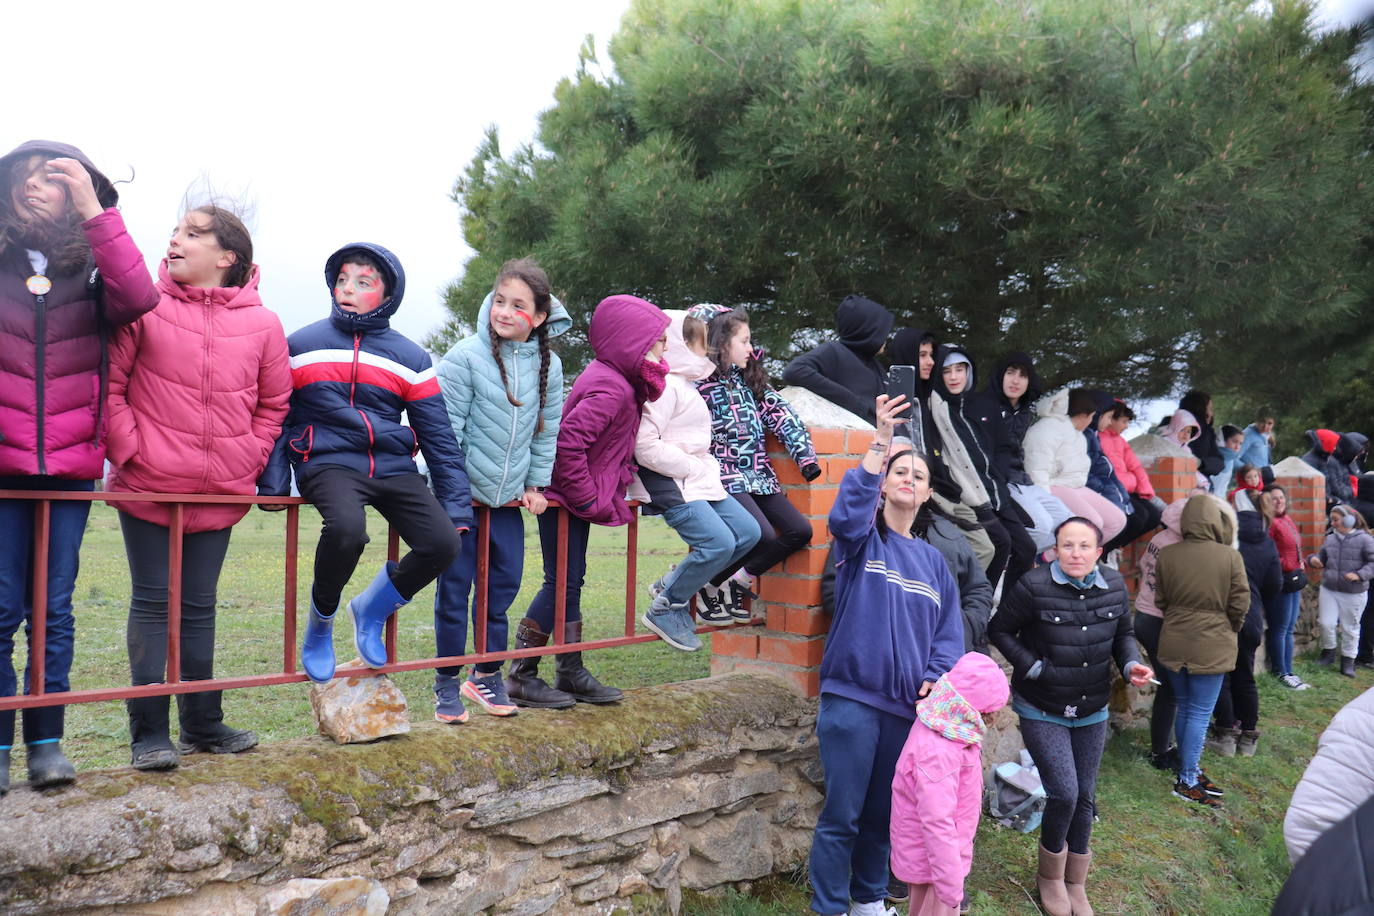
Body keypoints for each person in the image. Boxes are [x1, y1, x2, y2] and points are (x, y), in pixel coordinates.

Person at [105, 204, 290, 769]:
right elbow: (109, 389)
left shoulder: (264, 324)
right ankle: (148, 734)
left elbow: (273, 403)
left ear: (227, 255)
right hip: (149, 485)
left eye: (192, 233)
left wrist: (249, 456)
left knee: (199, 607)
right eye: (176, 231)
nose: (175, 240)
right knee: (153, 604)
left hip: (219, 491)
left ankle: (203, 725)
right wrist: (134, 450)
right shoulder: (146, 309)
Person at [0, 141, 158, 790]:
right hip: (3, 470)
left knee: (54, 610)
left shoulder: (93, 273)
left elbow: (140, 295)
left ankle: (45, 744)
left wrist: (95, 206)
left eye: (53, 179)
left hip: (67, 469)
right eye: (25, 178)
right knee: (1, 609)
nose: (35, 187)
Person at [263, 244, 471, 684]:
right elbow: (279, 416)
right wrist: (275, 484)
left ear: (387, 294)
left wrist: (456, 508)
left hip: (393, 466)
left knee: (444, 544)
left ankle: (372, 608)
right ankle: (321, 623)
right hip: (327, 461)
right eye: (341, 280)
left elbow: (437, 436)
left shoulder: (412, 358)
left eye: (363, 282)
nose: (348, 289)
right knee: (347, 531)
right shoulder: (301, 345)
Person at [809, 394, 963, 916]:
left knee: (883, 816)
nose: (909, 479)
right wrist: (880, 442)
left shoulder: (934, 563)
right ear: (884, 483)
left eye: (919, 476)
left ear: (926, 494)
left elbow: (948, 633)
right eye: (901, 471)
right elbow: (844, 515)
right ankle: (830, 907)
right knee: (842, 816)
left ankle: (869, 901)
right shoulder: (861, 542)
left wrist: (937, 674)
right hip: (851, 702)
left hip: (904, 711)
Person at [509, 295, 669, 707]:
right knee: (560, 580)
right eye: (658, 341)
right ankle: (521, 674)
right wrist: (588, 497)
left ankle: (569, 670)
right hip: (564, 499)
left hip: (570, 498)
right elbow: (568, 446)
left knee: (569, 580)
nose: (663, 349)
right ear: (633, 342)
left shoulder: (619, 382)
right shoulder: (611, 387)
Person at [987, 517, 1152, 916]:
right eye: (1067, 545)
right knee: (1065, 792)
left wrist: (1131, 666)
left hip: (1092, 709)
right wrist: (1034, 667)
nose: (1075, 553)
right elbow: (1000, 629)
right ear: (1055, 550)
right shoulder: (1034, 585)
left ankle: (1075, 882)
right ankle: (1049, 877)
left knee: (1085, 796)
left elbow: (1123, 635)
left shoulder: (1113, 584)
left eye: (1084, 546)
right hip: (1042, 707)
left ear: (1098, 552)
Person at [431, 259, 569, 721]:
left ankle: (485, 677)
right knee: (455, 590)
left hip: (509, 504)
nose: (505, 311)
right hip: (461, 502)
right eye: (500, 301)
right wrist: (451, 495)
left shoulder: (549, 364)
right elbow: (445, 431)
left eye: (519, 305)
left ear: (540, 316)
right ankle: (446, 680)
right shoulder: (465, 356)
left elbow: (545, 434)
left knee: (501, 590)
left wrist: (535, 485)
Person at [629, 310, 760, 633]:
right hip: (675, 482)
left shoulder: (687, 384)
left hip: (700, 478)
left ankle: (670, 582)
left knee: (748, 533)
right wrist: (688, 466)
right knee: (718, 543)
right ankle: (667, 606)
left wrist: (697, 468)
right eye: (698, 342)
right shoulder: (666, 386)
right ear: (678, 343)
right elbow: (643, 445)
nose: (707, 349)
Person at [695, 307, 821, 612]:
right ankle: (699, 585)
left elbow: (782, 415)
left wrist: (806, 459)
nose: (751, 348)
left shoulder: (749, 380)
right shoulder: (697, 384)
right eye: (744, 341)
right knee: (761, 535)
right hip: (723, 473)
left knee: (800, 531)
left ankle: (734, 581)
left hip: (758, 473)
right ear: (722, 342)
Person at [889, 652, 1009, 916]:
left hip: (939, 861)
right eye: (992, 712)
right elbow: (936, 821)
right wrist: (951, 886)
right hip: (934, 866)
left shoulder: (948, 724)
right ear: (974, 709)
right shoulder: (939, 751)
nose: (994, 718)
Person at [1154, 494, 1249, 807]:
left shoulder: (1167, 554)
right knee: (1198, 712)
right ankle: (1187, 779)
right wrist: (1231, 626)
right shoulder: (1229, 556)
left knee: (1183, 705)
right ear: (1215, 520)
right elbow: (1240, 603)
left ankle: (1188, 770)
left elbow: (1161, 600)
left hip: (1174, 637)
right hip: (1213, 641)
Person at [928, 344, 1036, 591]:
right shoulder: (939, 406)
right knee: (1000, 544)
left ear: (969, 372)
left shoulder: (981, 404)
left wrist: (999, 475)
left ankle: (1004, 613)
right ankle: (980, 605)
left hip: (995, 490)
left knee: (1026, 549)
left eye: (960, 369)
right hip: (967, 494)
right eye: (947, 371)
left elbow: (1002, 446)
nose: (954, 377)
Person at [1207, 508, 1280, 758]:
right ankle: (1248, 737)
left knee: (1223, 676)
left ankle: (1226, 735)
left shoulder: (1227, 545)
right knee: (1245, 677)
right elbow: (1275, 585)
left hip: (1226, 616)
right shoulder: (1268, 545)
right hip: (1253, 617)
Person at [985, 352, 1070, 554]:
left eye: (1022, 375)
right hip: (1000, 482)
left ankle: (1022, 558)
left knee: (1065, 522)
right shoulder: (985, 407)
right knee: (1040, 527)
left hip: (1023, 480)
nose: (1016, 380)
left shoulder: (1024, 412)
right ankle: (1011, 560)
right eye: (1010, 373)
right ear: (1000, 376)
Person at [1132, 495, 1193, 772]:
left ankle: (1164, 746)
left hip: (1144, 614)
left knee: (1170, 686)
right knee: (1171, 687)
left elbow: (1142, 566)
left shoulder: (1160, 538)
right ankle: (1161, 750)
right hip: (1159, 620)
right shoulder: (1183, 548)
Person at [1021, 388, 1127, 546]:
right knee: (1092, 523)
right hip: (1053, 486)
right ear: (1084, 415)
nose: (1092, 421)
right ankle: (1051, 557)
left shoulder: (1077, 433)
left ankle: (1085, 558)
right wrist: (1044, 502)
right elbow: (1036, 469)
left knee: (1117, 520)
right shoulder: (1047, 428)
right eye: (1091, 417)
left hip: (1075, 486)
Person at [781, 294, 893, 424]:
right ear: (867, 330)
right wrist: (854, 403)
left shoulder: (874, 365)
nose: (886, 337)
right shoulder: (833, 351)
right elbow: (794, 371)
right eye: (881, 331)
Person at [1307, 504, 1374, 678]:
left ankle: (1348, 661)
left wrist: (1359, 575)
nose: (1333, 523)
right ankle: (1328, 653)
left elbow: (1372, 563)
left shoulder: (1365, 539)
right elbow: (1320, 557)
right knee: (1326, 623)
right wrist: (1312, 559)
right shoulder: (1330, 538)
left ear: (1349, 520)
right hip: (1329, 588)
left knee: (1350, 628)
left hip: (1354, 592)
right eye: (1332, 519)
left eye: (1336, 519)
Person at [1259, 486, 1310, 689]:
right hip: (1280, 580)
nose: (1279, 501)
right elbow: (1268, 555)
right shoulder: (1268, 523)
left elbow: (1295, 547)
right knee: (1279, 629)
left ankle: (1289, 671)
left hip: (1293, 578)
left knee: (1289, 628)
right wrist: (1290, 564)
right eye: (1274, 498)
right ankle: (1280, 671)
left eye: (1281, 497)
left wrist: (1300, 561)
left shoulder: (1286, 519)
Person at [1096, 400, 1165, 550]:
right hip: (1113, 491)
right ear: (1110, 419)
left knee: (1154, 517)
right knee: (1137, 519)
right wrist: (1131, 481)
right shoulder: (1098, 438)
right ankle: (1106, 550)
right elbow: (1107, 472)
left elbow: (1135, 466)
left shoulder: (1121, 441)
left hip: (1129, 490)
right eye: (1124, 421)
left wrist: (1145, 490)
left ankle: (1115, 548)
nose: (1126, 426)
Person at [1178, 391, 1225, 481]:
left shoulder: (1208, 432)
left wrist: (1200, 463)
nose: (1211, 414)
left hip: (1197, 481)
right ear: (1200, 408)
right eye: (1210, 409)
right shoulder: (1170, 427)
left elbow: (1219, 463)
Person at [1210, 425, 1244, 495]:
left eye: (1240, 443)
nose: (1237, 447)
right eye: (1234, 442)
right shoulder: (1214, 459)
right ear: (1222, 440)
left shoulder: (1231, 458)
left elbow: (1243, 466)